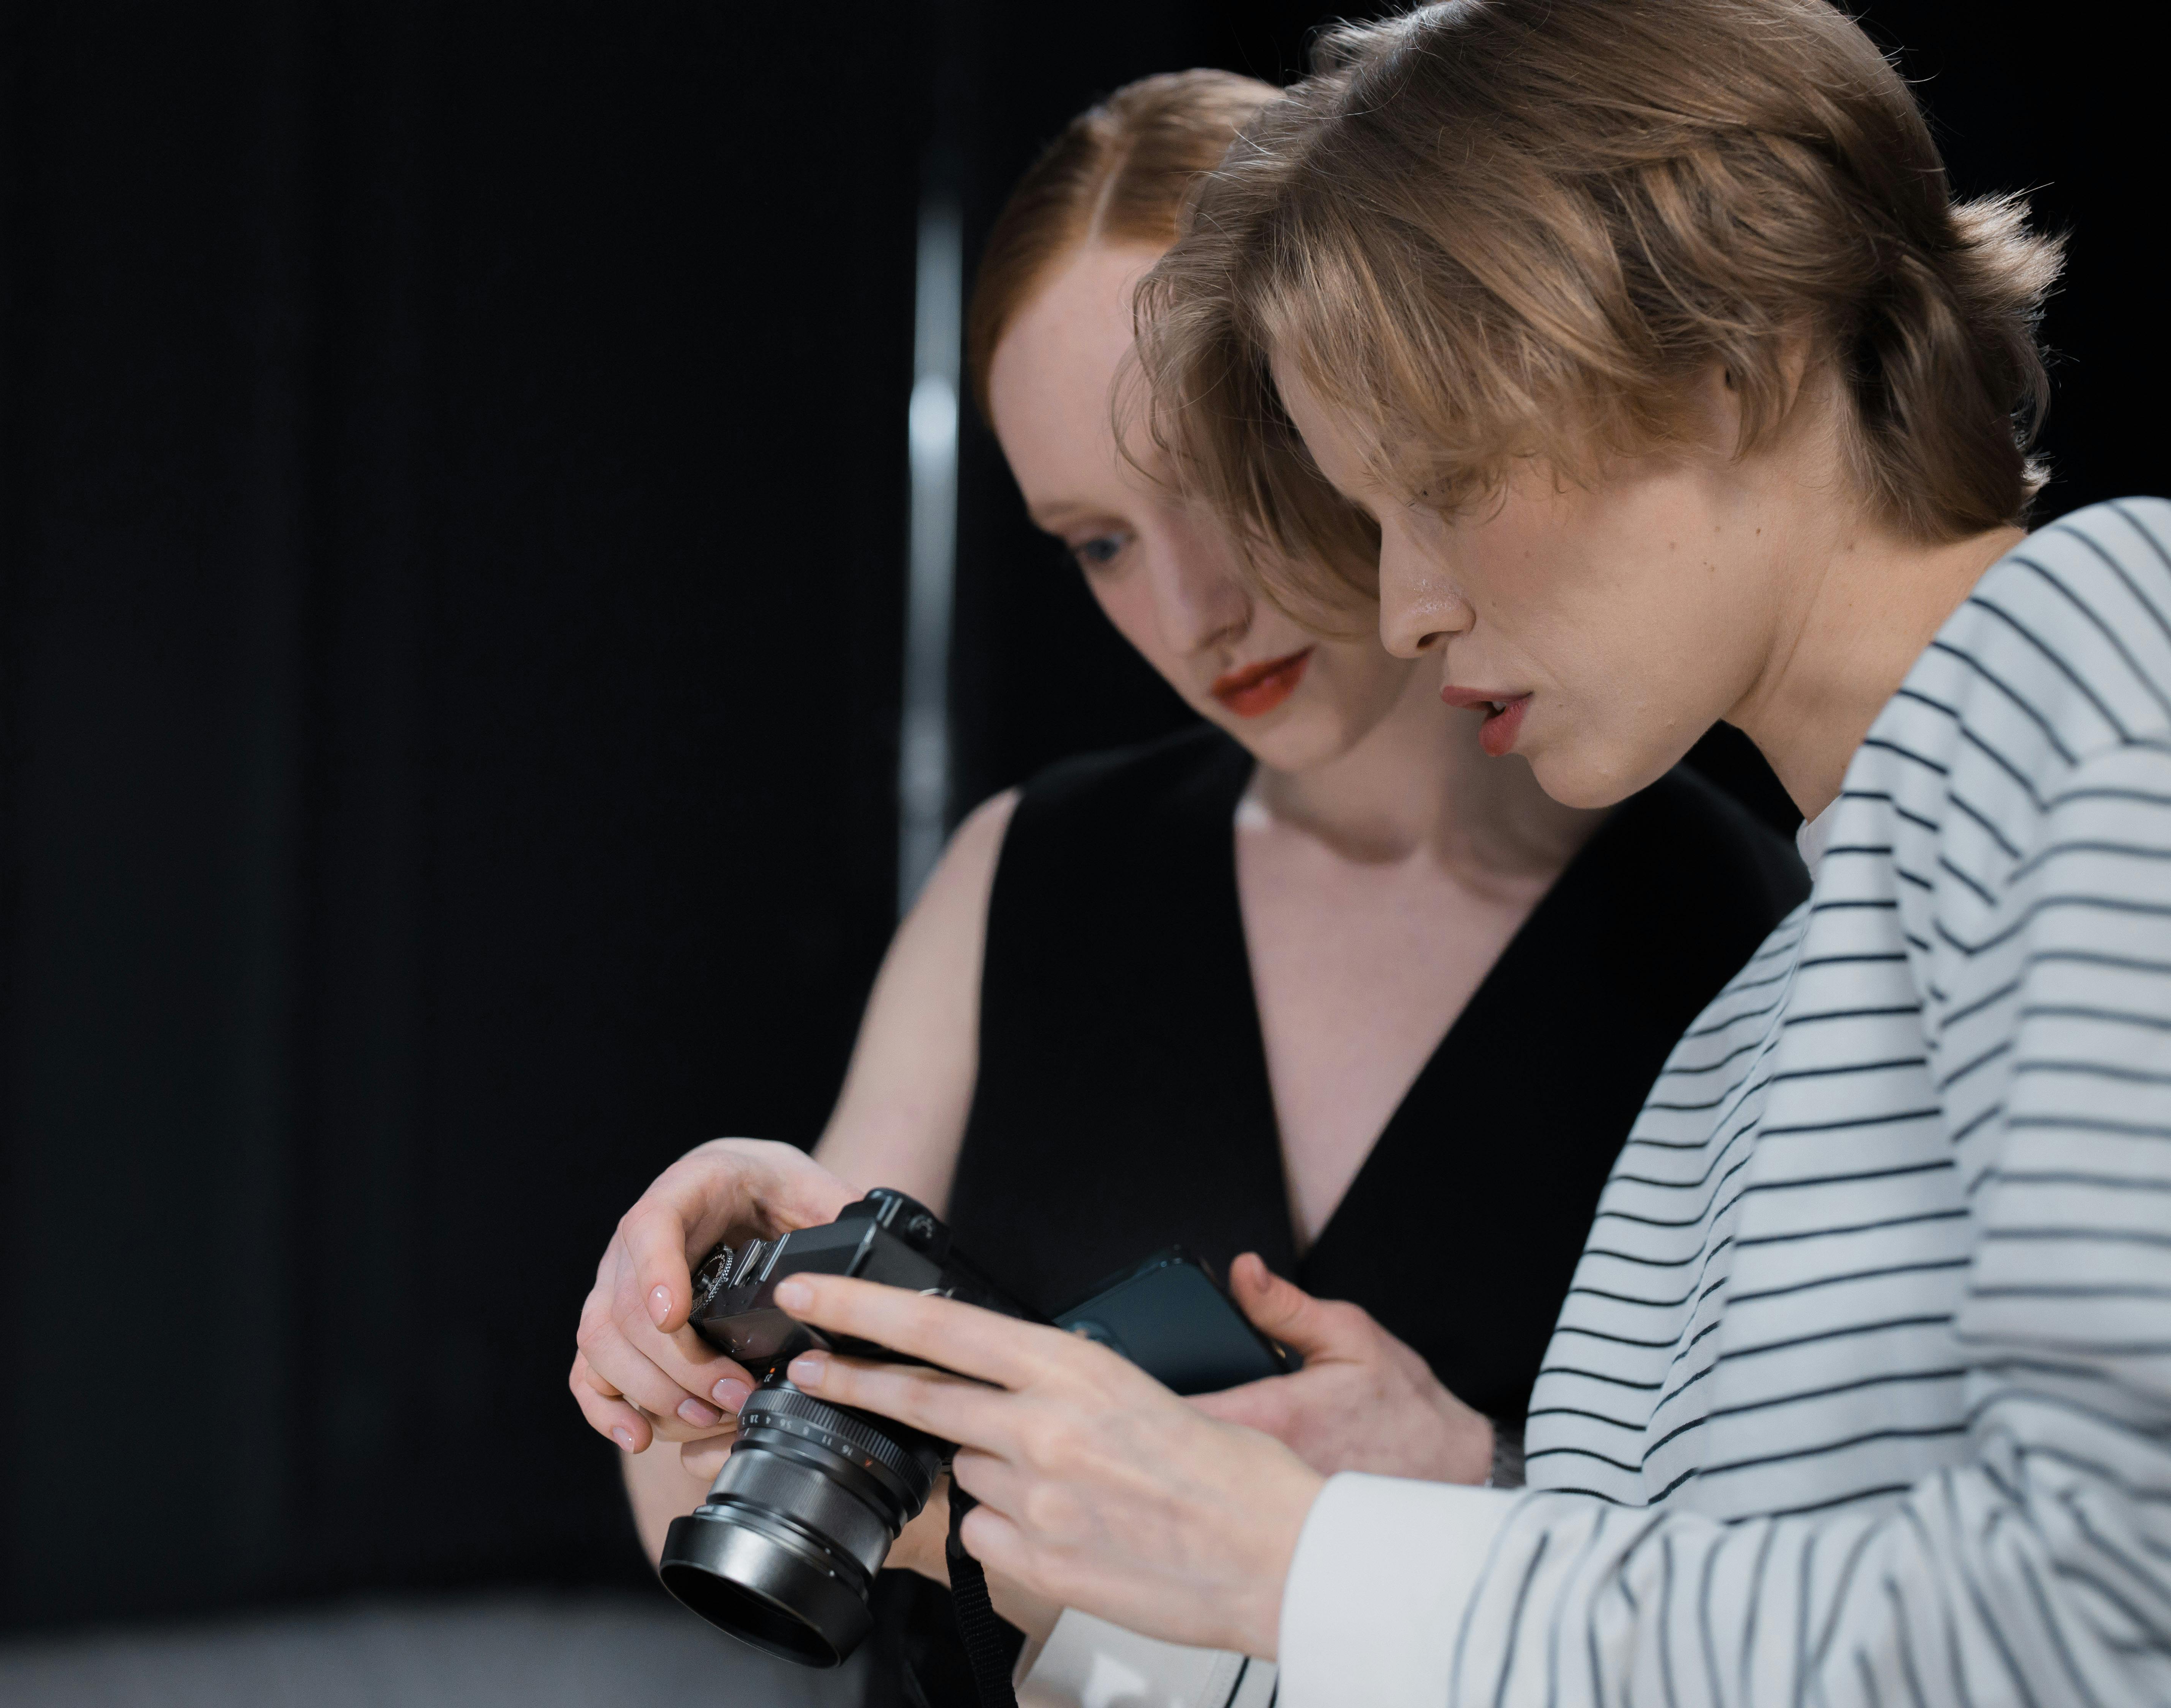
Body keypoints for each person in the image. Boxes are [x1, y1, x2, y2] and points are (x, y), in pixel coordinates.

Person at [748, 1, 2171, 1703]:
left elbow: (2116, 1613)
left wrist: (1308, 1554)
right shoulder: (1768, 1011)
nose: (1406, 603)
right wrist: (1116, 1519)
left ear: (1735, 362)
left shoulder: (2102, 653)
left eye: (1440, 483)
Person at [566, 69, 1804, 1704]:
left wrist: (1493, 1497)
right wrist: (686, 1338)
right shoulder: (1031, 867)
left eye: (1231, 470)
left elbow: (1832, 1605)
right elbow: (731, 1508)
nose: (1195, 607)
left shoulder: (1748, 929)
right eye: (1096, 541)